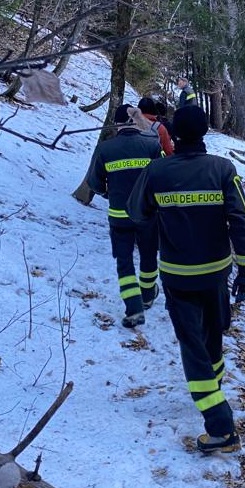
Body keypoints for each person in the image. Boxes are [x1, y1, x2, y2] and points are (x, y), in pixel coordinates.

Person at [127, 105, 245, 454]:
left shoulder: (157, 172)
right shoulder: (222, 169)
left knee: (193, 347)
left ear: (174, 134)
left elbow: (136, 211)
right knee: (212, 337)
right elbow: (242, 221)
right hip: (217, 273)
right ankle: (210, 391)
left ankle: (221, 427)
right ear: (205, 133)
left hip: (179, 276)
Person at [87, 104, 162, 328]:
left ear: (117, 123)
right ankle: (148, 295)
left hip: (119, 216)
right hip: (148, 214)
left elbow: (95, 183)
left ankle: (133, 309)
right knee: (148, 256)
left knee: (124, 261)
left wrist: (108, 192)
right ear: (137, 121)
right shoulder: (151, 145)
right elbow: (163, 175)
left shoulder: (105, 149)